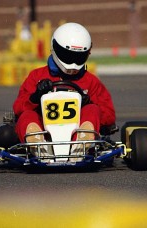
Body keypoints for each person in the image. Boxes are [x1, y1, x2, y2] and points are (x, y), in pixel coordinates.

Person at [13, 22, 116, 157]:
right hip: (45, 132)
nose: (73, 63)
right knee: (27, 115)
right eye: (68, 55)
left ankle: (81, 143)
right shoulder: (37, 76)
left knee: (92, 109)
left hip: (76, 133)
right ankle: (38, 145)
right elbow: (18, 108)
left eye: (78, 57)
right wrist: (35, 97)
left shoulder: (90, 81)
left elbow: (109, 115)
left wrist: (88, 103)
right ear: (56, 48)